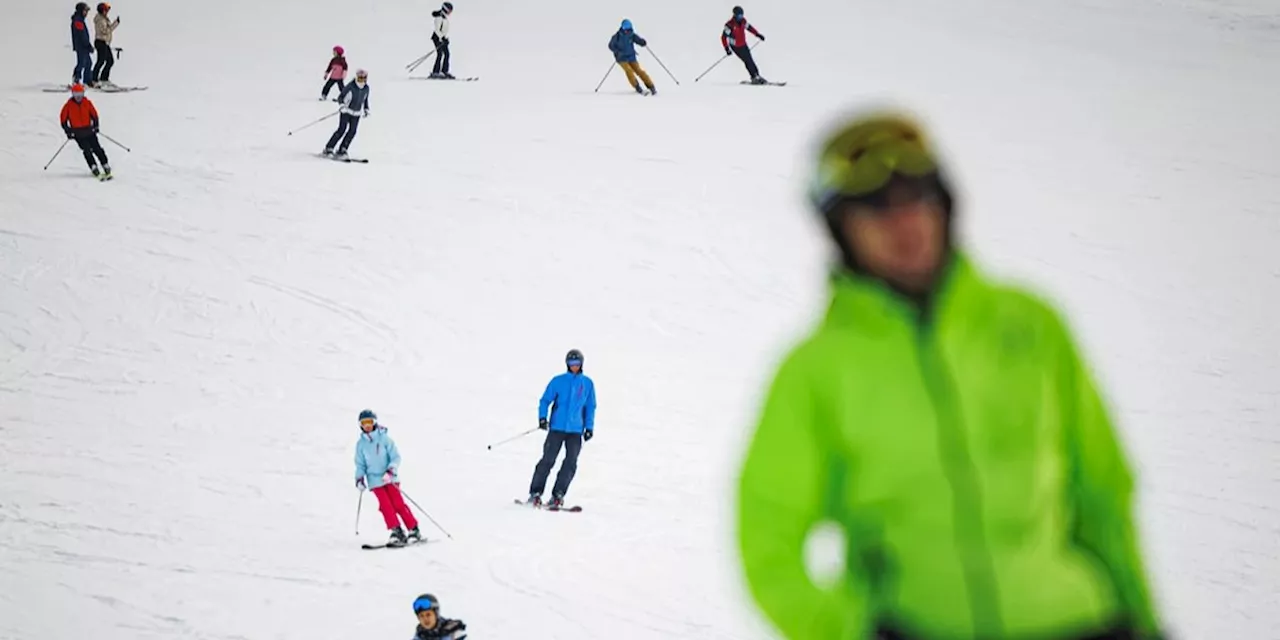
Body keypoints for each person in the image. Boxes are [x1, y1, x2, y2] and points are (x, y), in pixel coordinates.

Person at [736, 111, 1164, 640]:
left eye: (919, 197)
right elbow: (766, 533)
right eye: (875, 209)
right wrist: (850, 631)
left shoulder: (1030, 327)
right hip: (920, 625)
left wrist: (1143, 622)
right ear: (840, 229)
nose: (905, 223)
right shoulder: (817, 371)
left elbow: (1101, 494)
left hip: (1078, 623)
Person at [524, 349, 597, 508]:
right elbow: (545, 400)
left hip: (576, 430)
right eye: (571, 364)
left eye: (577, 364)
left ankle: (558, 494)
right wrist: (543, 418)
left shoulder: (587, 384)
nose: (574, 366)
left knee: (570, 463)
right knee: (548, 460)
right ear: (567, 364)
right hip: (557, 428)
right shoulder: (558, 381)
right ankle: (535, 493)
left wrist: (589, 427)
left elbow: (590, 407)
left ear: (581, 364)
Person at [354, 409, 421, 546]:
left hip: (389, 478)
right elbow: (360, 464)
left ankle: (413, 529)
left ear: (375, 422)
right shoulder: (361, 445)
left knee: (398, 504)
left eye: (369, 422)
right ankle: (396, 531)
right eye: (364, 423)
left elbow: (396, 457)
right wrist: (359, 479)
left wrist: (391, 471)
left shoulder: (384, 439)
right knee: (385, 506)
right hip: (375, 480)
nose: (367, 425)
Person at [59, 83, 111, 178]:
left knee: (97, 148)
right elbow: (63, 120)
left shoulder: (87, 103)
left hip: (89, 131)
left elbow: (94, 115)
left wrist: (96, 126)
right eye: (76, 94)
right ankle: (93, 166)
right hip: (78, 133)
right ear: (72, 94)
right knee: (86, 150)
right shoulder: (68, 105)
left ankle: (105, 164)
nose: (78, 97)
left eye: (80, 94)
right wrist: (68, 131)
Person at [323, 68, 370, 159]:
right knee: (342, 129)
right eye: (360, 79)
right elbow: (340, 97)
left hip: (356, 114)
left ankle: (343, 149)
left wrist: (366, 109)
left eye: (363, 79)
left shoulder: (366, 88)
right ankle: (329, 147)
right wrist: (342, 106)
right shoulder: (351, 86)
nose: (362, 81)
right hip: (346, 112)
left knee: (352, 131)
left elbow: (365, 99)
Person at [608, 19, 656, 95]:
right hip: (621, 58)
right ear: (622, 28)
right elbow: (611, 46)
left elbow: (638, 40)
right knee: (629, 70)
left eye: (628, 28)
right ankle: (637, 86)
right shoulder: (616, 36)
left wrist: (642, 42)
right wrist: (617, 52)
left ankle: (651, 86)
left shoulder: (631, 35)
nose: (627, 30)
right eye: (625, 28)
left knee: (639, 71)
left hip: (631, 57)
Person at [721, 5, 767, 84]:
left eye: (742, 15)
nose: (741, 17)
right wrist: (727, 49)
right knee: (747, 60)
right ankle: (754, 77)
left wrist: (757, 34)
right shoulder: (730, 25)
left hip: (743, 44)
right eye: (739, 15)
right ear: (735, 15)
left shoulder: (743, 21)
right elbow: (723, 37)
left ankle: (756, 76)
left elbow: (749, 28)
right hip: (736, 46)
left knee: (749, 60)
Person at [91, 3, 120, 88]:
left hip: (104, 43)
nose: (107, 12)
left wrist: (115, 23)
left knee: (110, 61)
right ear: (102, 10)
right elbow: (105, 31)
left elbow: (107, 29)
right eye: (106, 10)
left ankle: (104, 78)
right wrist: (114, 25)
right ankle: (94, 79)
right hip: (100, 42)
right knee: (101, 61)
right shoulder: (100, 20)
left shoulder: (103, 18)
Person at [70, 2, 94, 86]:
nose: (86, 13)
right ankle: (76, 78)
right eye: (85, 11)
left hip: (84, 46)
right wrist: (88, 45)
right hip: (81, 46)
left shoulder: (80, 20)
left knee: (88, 63)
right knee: (81, 63)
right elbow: (81, 35)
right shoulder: (77, 21)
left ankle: (87, 80)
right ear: (80, 11)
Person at [430, 2, 454, 79]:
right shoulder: (439, 17)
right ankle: (435, 72)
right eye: (450, 10)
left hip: (442, 39)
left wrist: (446, 38)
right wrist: (442, 38)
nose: (450, 12)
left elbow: (444, 30)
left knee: (447, 54)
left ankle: (444, 71)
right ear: (446, 9)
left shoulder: (445, 18)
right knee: (440, 54)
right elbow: (437, 30)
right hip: (437, 38)